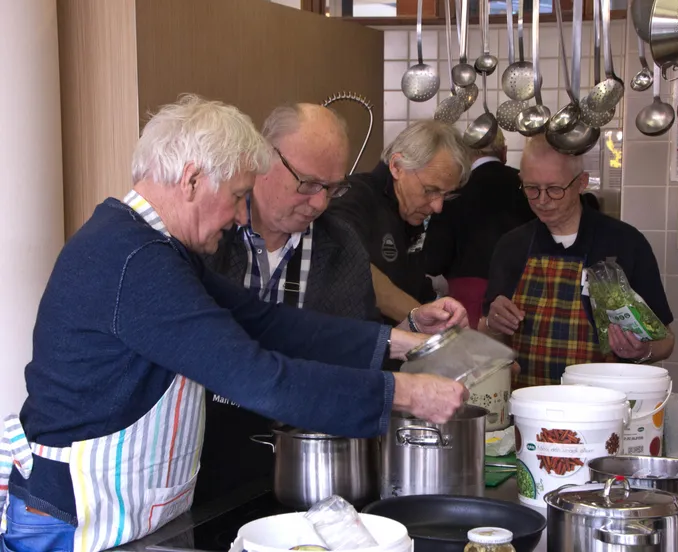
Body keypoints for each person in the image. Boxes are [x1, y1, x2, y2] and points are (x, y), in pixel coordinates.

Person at [0, 95, 466, 552]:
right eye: (240, 196)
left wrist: (397, 343)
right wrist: (405, 394)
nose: (243, 215)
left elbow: (265, 321)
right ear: (192, 180)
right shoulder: (136, 261)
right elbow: (263, 380)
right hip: (77, 518)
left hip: (113, 510)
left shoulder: (152, 246)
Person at [197, 103, 468, 505]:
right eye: (308, 184)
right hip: (207, 463)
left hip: (312, 467)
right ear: (262, 158)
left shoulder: (341, 246)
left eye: (332, 188)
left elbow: (350, 357)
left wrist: (408, 330)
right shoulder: (209, 237)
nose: (321, 203)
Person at [481, 136, 675, 388]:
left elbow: (667, 342)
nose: (541, 200)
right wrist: (493, 325)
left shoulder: (625, 243)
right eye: (531, 188)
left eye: (554, 189)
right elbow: (488, 336)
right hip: (528, 407)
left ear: (581, 183)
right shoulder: (511, 246)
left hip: (601, 412)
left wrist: (643, 350)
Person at [327, 120, 471, 324]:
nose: (438, 207)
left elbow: (414, 284)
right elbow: (348, 265)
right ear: (396, 167)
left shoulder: (410, 214)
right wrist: (423, 317)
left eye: (445, 195)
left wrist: (445, 315)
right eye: (430, 190)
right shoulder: (355, 198)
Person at [424, 129, 536, 327]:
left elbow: (434, 260)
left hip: (466, 301)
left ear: (467, 155)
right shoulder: (528, 186)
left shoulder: (453, 189)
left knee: (472, 354)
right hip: (521, 298)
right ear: (504, 152)